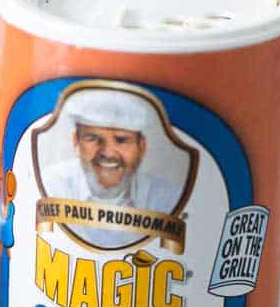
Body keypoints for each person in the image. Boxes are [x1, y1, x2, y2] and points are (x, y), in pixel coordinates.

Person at [40, 87, 183, 248]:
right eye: (93, 138)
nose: (107, 153)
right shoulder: (51, 185)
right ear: (76, 141)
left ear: (141, 147)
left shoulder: (165, 197)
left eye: (121, 140)